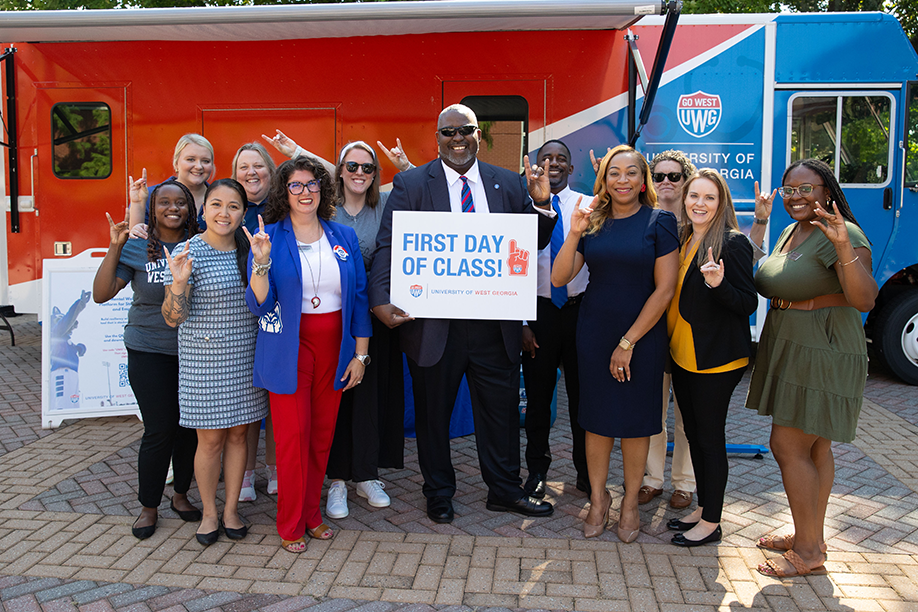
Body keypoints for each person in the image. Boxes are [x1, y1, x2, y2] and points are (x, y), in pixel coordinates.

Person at [369, 103, 557, 524]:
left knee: (501, 413)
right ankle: (438, 491)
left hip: (496, 326)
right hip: (435, 327)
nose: (458, 139)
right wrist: (380, 301)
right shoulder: (412, 183)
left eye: (465, 131)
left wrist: (542, 205)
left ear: (479, 135)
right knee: (433, 416)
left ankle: (504, 490)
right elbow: (389, 245)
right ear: (437, 138)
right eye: (449, 132)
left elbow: (530, 246)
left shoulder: (507, 184)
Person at [746, 158, 877, 577]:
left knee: (788, 446)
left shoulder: (844, 233)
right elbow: (765, 274)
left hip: (823, 348)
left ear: (826, 190)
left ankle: (807, 551)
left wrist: (842, 247)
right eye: (790, 190)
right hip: (793, 342)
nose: (797, 196)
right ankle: (811, 535)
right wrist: (762, 223)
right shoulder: (790, 230)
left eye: (807, 188)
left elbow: (864, 299)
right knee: (816, 447)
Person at [245, 156, 372, 553]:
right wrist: (261, 263)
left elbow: (359, 298)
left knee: (321, 437)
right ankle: (290, 522)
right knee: (291, 438)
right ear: (285, 192)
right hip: (289, 349)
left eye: (312, 184)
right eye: (296, 185)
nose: (305, 192)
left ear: (323, 189)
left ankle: (313, 515)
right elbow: (259, 304)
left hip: (334, 349)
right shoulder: (269, 237)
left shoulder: (343, 236)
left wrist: (361, 355)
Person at [551, 145, 678, 542]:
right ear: (603, 181)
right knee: (597, 421)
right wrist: (573, 231)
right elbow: (559, 278)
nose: (622, 180)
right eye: (614, 173)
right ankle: (599, 498)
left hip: (641, 335)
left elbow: (665, 289)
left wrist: (628, 342)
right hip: (594, 332)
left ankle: (627, 505)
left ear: (643, 182)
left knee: (637, 424)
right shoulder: (593, 223)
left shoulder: (660, 222)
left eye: (631, 173)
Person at [92, 178, 201, 539]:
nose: (173, 208)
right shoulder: (138, 246)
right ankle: (148, 505)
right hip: (149, 349)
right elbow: (102, 294)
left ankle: (181, 496)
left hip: (194, 350)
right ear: (152, 210)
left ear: (191, 208)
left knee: (189, 431)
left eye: (180, 202)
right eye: (164, 202)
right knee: (159, 429)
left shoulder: (199, 245)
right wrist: (115, 246)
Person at [162, 178, 269, 546]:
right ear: (204, 209)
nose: (225, 213)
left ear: (243, 212)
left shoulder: (249, 247)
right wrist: (178, 284)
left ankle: (231, 511)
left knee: (240, 434)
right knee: (209, 441)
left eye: (234, 206)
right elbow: (173, 318)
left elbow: (261, 301)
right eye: (217, 205)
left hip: (243, 355)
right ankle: (209, 512)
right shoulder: (187, 250)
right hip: (203, 362)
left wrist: (261, 262)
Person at [664, 169, 757, 547]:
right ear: (685, 199)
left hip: (714, 360)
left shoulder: (732, 243)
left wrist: (719, 286)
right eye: (694, 196)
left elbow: (747, 302)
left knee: (709, 439)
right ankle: (704, 509)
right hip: (683, 355)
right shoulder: (685, 236)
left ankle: (713, 522)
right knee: (694, 434)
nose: (699, 204)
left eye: (709, 198)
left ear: (721, 204)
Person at [324, 141, 405, 520]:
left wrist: (404, 163)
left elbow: (425, 196)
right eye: (351, 166)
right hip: (335, 318)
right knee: (339, 395)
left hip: (377, 317)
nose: (359, 173)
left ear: (375, 175)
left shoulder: (386, 204)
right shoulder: (325, 208)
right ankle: (337, 479)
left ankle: (367, 475)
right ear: (339, 170)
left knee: (373, 397)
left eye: (367, 168)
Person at [520, 139, 591, 498]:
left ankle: (585, 471)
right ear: (535, 165)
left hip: (580, 313)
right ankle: (536, 471)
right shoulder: (522, 205)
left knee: (582, 400)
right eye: (546, 157)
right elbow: (508, 268)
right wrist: (521, 323)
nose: (554, 163)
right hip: (538, 315)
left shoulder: (590, 206)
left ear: (571, 168)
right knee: (537, 400)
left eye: (561, 158)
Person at [638, 150, 698, 510]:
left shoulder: (700, 223)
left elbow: (744, 253)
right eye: (658, 176)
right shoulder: (643, 221)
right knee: (651, 410)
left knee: (688, 413)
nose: (665, 182)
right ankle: (652, 479)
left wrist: (761, 223)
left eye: (674, 176)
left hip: (689, 331)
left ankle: (685, 483)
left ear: (685, 180)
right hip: (652, 329)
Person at [232, 142, 280, 502]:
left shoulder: (282, 208)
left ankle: (274, 469)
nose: (251, 172)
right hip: (238, 315)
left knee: (277, 398)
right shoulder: (228, 209)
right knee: (248, 404)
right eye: (244, 167)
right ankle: (246, 474)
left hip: (276, 311)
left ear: (270, 170)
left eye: (258, 166)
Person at [129, 134, 215, 233]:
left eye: (205, 161)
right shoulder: (151, 195)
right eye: (190, 159)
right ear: (176, 163)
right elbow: (135, 241)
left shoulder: (220, 197)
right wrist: (137, 204)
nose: (199, 166)